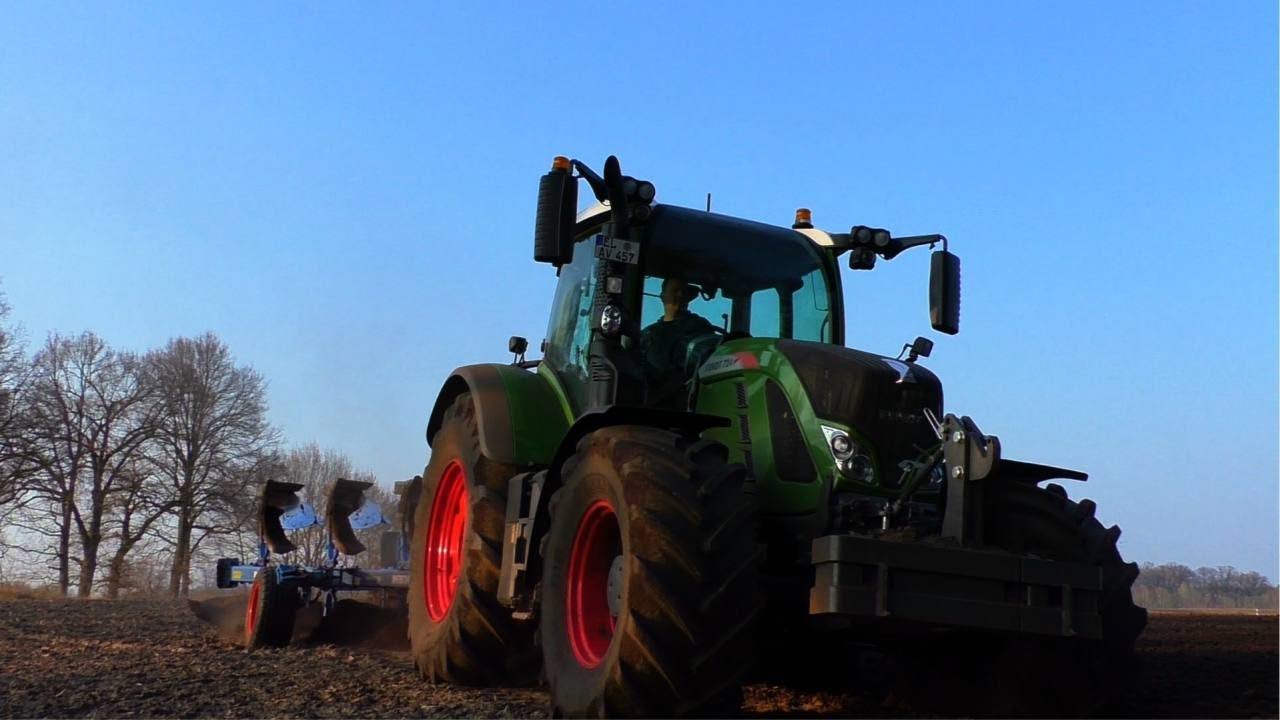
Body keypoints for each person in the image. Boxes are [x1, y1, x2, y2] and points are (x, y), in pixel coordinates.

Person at [640, 277, 718, 408]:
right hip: (651, 403)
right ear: (663, 296)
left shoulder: (699, 326)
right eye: (675, 291)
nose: (680, 295)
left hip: (686, 403)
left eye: (684, 292)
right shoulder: (648, 333)